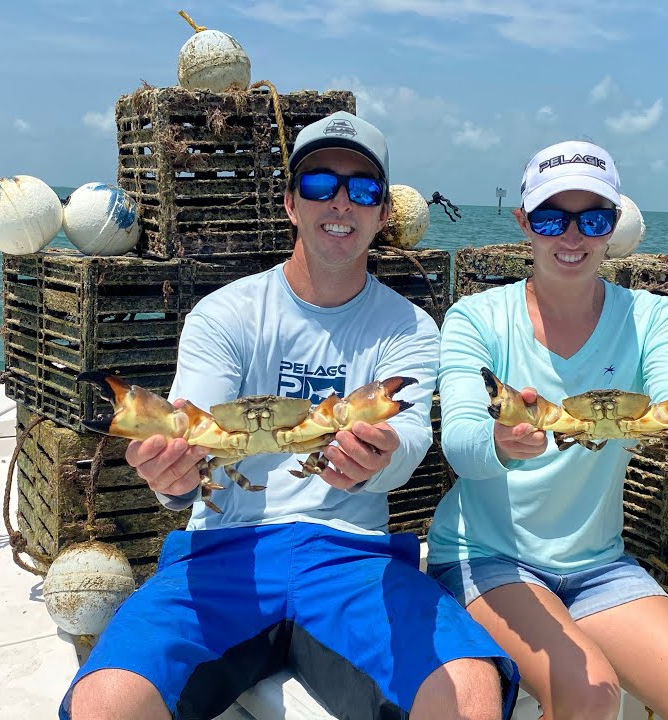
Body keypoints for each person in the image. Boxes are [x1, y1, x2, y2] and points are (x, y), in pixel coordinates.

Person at [64, 111, 517, 720]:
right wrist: (171, 478)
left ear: (384, 214)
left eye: (363, 189)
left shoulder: (409, 328)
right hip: (223, 552)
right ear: (290, 204)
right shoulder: (224, 315)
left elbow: (405, 444)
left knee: (470, 694)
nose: (341, 201)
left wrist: (372, 461)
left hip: (350, 557)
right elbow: (188, 422)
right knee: (104, 702)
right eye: (319, 184)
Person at [426, 140, 668, 720]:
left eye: (594, 218)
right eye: (552, 217)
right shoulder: (476, 318)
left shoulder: (652, 316)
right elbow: (459, 439)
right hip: (483, 554)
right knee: (590, 693)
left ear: (614, 225)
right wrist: (501, 442)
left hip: (598, 564)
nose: (572, 236)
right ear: (524, 224)